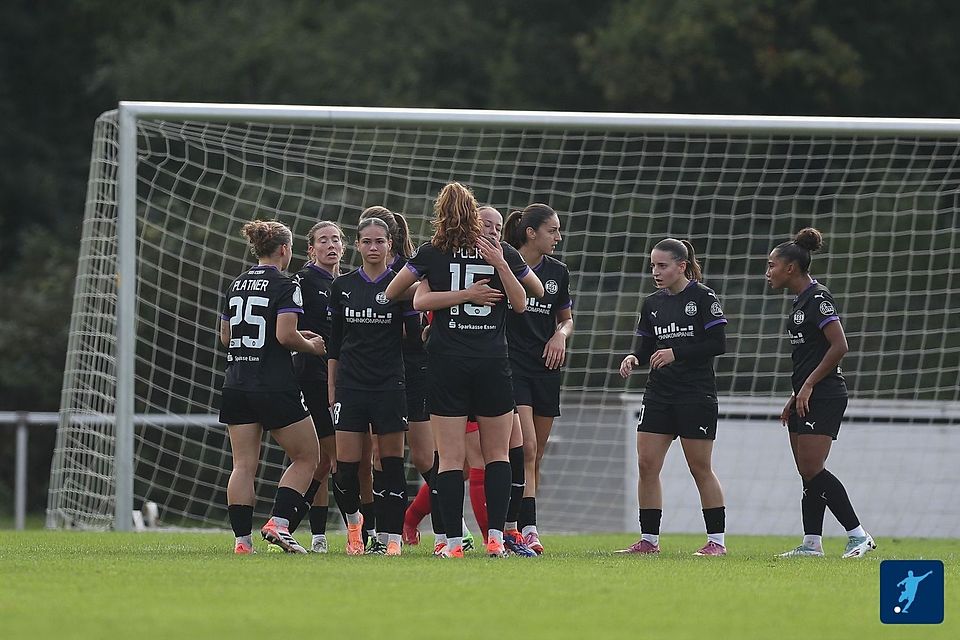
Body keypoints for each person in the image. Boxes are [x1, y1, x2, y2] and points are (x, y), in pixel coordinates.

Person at [386, 182, 542, 558]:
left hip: (446, 364)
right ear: (474, 214)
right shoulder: (497, 250)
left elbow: (393, 293)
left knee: (451, 459)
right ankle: (495, 539)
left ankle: (453, 542)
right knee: (499, 456)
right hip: (492, 363)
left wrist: (443, 291)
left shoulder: (431, 251)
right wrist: (497, 267)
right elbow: (526, 300)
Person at [766, 227, 876, 559]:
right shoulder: (800, 300)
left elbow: (840, 345)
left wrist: (810, 385)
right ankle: (811, 543)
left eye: (771, 265)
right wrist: (796, 393)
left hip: (825, 394)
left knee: (813, 468)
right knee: (806, 470)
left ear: (790, 268)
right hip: (806, 394)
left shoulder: (817, 298)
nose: (767, 271)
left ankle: (858, 535)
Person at [219, 219, 325, 554]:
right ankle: (279, 524)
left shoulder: (236, 284)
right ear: (284, 249)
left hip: (237, 382)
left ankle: (241, 542)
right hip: (273, 384)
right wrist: (311, 346)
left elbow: (226, 336)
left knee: (243, 465)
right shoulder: (285, 283)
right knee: (308, 457)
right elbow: (284, 335)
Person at [618, 238, 728, 556]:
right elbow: (646, 345)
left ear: (681, 266)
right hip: (659, 394)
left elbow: (718, 343)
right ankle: (649, 540)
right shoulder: (652, 303)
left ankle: (716, 542)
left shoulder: (703, 297)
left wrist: (676, 352)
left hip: (696, 393)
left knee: (699, 467)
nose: (656, 271)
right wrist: (634, 358)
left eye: (662, 265)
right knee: (647, 464)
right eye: (653, 265)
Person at [328, 217, 417, 556]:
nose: (373, 248)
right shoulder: (344, 287)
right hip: (351, 386)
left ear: (390, 245)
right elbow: (334, 346)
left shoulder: (401, 286)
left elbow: (413, 343)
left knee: (390, 465)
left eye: (380, 241)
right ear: (358, 245)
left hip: (389, 386)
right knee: (346, 470)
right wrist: (332, 391)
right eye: (367, 242)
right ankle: (355, 528)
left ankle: (392, 538)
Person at [501, 203, 573, 555]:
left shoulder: (557, 272)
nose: (558, 237)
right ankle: (522, 529)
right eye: (552, 230)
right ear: (531, 232)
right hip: (512, 365)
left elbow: (566, 319)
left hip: (546, 368)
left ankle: (524, 523)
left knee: (537, 453)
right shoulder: (503, 262)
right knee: (525, 447)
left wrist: (560, 334)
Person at [288, 221, 345, 553]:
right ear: (311, 249)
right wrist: (304, 340)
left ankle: (315, 533)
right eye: (323, 240)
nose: (331, 245)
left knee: (327, 459)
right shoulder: (304, 280)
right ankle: (287, 523)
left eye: (336, 239)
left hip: (342, 378)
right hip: (313, 376)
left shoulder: (343, 282)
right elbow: (286, 323)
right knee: (328, 458)